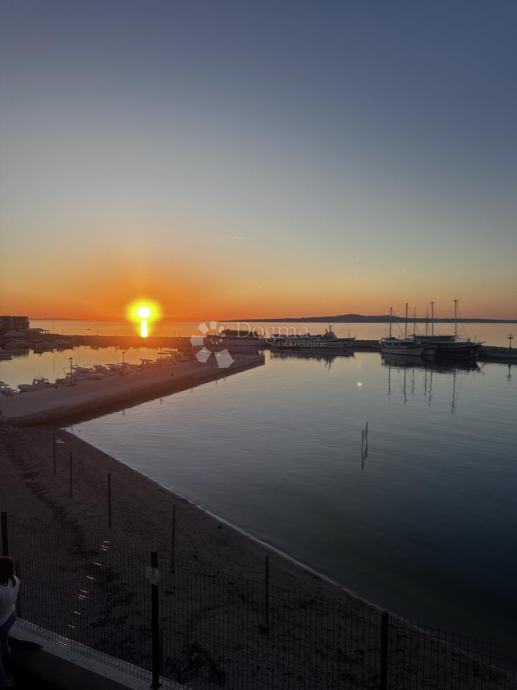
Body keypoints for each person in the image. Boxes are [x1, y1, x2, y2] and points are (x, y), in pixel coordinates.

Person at [0, 558, 19, 690]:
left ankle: (3, 682)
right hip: (10, 617)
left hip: (1, 623)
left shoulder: (0, 591)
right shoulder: (15, 580)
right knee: (4, 646)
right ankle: (10, 675)